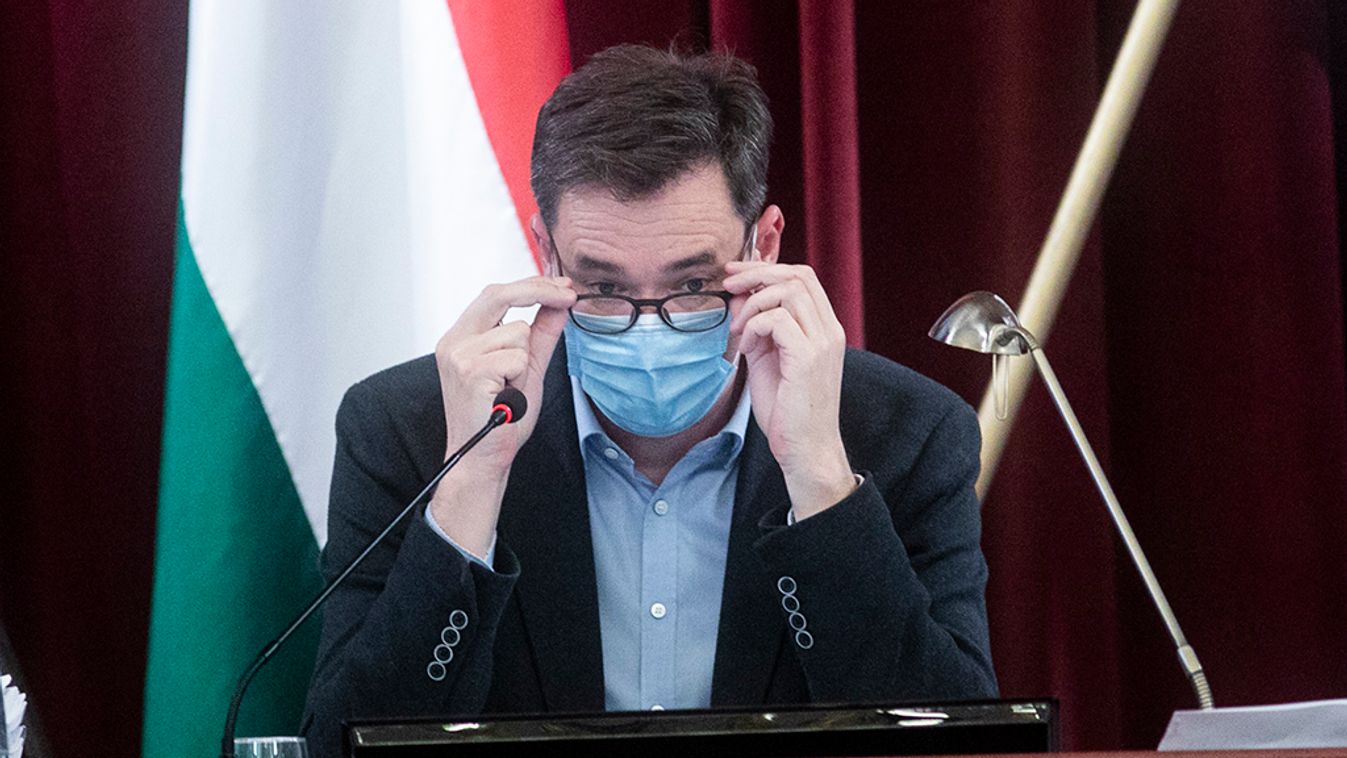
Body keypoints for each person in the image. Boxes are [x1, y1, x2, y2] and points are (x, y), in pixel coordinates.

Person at [302, 44, 996, 757]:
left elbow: (961, 743)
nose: (647, 329)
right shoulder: (408, 429)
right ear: (546, 255)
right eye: (603, 288)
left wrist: (818, 477)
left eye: (692, 286)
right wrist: (471, 483)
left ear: (763, 246)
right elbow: (338, 745)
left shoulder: (907, 434)